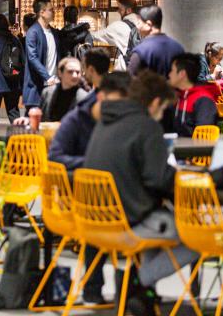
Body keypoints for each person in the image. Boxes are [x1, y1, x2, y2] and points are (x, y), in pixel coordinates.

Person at [83, 71, 198, 314]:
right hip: (127, 221)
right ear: (156, 102)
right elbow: (157, 178)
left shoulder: (105, 121)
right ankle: (136, 280)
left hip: (94, 219)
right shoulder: (146, 126)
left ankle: (142, 294)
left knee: (160, 220)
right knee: (196, 234)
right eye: (163, 108)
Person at [47, 70, 130, 305]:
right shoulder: (76, 120)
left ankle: (135, 286)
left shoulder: (117, 123)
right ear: (103, 98)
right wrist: (91, 162)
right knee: (101, 212)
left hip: (111, 193)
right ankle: (105, 286)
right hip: (77, 198)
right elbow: (55, 157)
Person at [48, 49, 114, 173]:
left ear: (90, 70)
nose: (77, 74)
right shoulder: (107, 93)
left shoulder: (90, 99)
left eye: (80, 70)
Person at [168, 52, 219, 138]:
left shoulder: (203, 100)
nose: (169, 75)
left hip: (192, 150)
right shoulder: (177, 97)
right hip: (175, 149)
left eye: (172, 70)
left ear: (182, 74)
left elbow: (203, 140)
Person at [128, 5, 185, 78]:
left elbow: (131, 79)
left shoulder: (141, 50)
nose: (137, 26)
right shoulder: (178, 47)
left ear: (148, 24)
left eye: (139, 22)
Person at [23, 0, 57, 112]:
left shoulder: (53, 32)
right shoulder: (33, 32)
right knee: (33, 127)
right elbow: (33, 58)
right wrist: (48, 77)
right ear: (42, 12)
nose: (54, 12)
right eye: (51, 10)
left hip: (53, 86)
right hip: (36, 89)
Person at [92, 0, 141, 71]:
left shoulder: (119, 26)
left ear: (128, 10)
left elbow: (95, 36)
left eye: (120, 9)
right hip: (141, 69)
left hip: (126, 69)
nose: (118, 11)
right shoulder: (143, 24)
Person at [40, 57, 88, 122]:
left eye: (77, 72)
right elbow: (40, 117)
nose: (74, 75)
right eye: (70, 72)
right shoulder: (47, 93)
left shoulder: (84, 97)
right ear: (60, 73)